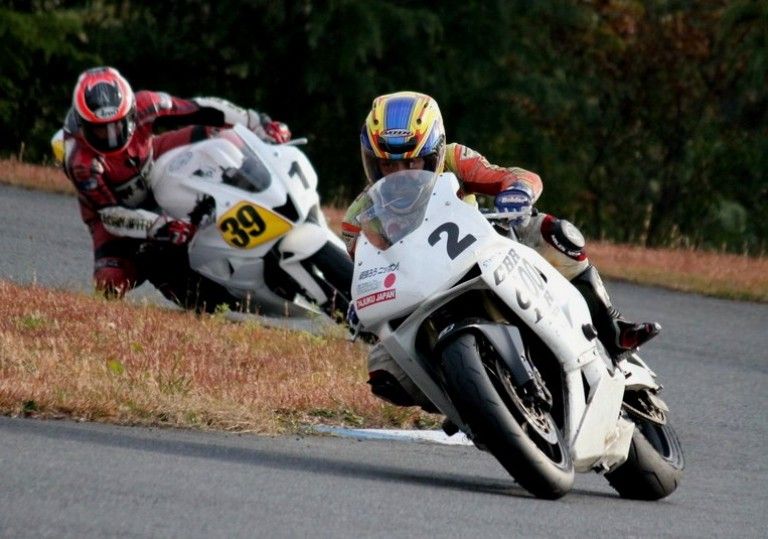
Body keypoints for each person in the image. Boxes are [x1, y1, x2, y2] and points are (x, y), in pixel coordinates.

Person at [343, 91, 661, 410]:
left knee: (550, 230)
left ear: (434, 152)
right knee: (384, 369)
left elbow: (516, 176)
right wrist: (360, 298)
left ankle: (611, 324)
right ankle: (467, 400)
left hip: (483, 255)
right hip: (423, 294)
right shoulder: (361, 216)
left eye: (412, 162)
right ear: (373, 163)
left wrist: (517, 191)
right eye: (389, 165)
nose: (401, 174)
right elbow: (365, 271)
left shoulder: (454, 159)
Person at [56, 66, 291, 299]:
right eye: (100, 131)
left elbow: (201, 107)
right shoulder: (80, 161)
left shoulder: (147, 104)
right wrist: (159, 226)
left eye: (117, 126)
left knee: (215, 134)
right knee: (110, 283)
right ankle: (165, 272)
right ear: (83, 124)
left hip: (150, 158)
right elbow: (111, 216)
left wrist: (257, 123)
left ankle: (261, 186)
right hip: (114, 211)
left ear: (130, 113)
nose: (111, 137)